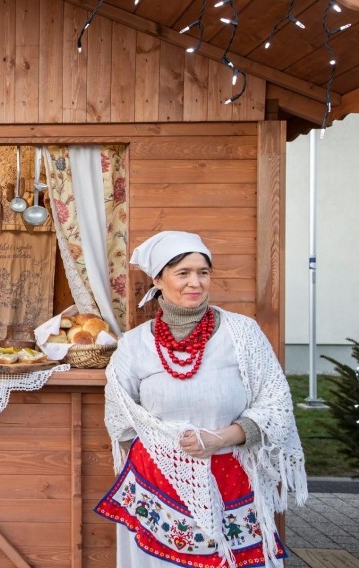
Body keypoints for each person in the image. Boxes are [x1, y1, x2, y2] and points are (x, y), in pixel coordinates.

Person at [94, 231, 307, 568]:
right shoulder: (134, 345)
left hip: (234, 479)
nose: (195, 282)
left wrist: (221, 438)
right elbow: (121, 420)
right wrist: (167, 453)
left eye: (202, 272)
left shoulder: (242, 332)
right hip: (158, 485)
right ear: (158, 279)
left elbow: (275, 405)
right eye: (183, 273)